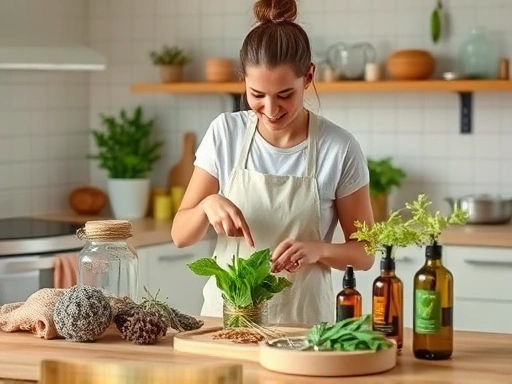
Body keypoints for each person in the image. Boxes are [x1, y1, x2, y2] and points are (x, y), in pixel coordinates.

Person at [170, 0, 375, 326]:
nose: (270, 109)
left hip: (303, 326)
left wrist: (318, 250)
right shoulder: (225, 133)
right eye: (256, 94)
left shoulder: (339, 148)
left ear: (308, 77)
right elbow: (180, 235)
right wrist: (207, 205)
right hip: (225, 323)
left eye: (284, 95)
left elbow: (365, 253)